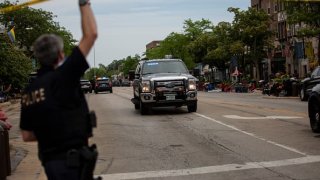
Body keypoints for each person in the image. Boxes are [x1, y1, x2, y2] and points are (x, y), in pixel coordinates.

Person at [19, 0, 98, 179]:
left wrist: (50, 134)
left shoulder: (29, 91)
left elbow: (26, 135)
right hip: (72, 163)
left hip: (51, 164)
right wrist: (84, 3)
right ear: (61, 54)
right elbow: (91, 34)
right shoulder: (64, 76)